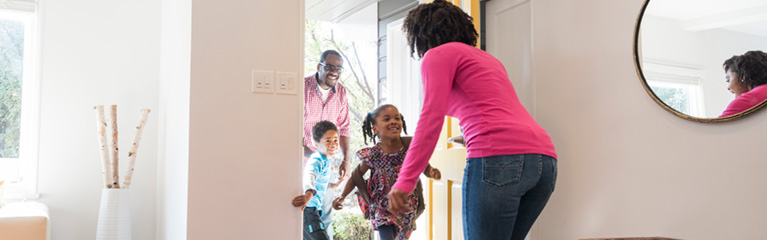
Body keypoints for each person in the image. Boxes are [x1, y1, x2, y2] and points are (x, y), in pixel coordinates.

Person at [387, 1, 558, 240]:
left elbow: (430, 120)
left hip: (500, 160)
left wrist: (405, 180)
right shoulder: (487, 60)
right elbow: (495, 112)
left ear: (420, 33)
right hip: (544, 162)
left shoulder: (437, 55)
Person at [331, 104, 441, 240]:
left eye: (397, 118)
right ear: (375, 128)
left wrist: (431, 172)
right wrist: (342, 196)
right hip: (382, 207)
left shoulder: (409, 147)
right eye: (387, 119)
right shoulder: (373, 154)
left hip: (407, 206)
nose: (393, 121)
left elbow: (422, 165)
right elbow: (355, 177)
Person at [304, 49, 352, 238]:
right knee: (305, 217)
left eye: (338, 68)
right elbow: (291, 126)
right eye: (330, 67)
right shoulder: (304, 87)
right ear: (319, 66)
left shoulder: (340, 92)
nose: (334, 72)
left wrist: (346, 160)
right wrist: (312, 155)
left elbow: (345, 128)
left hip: (327, 166)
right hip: (302, 165)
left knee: (326, 218)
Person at [292, 121, 349, 240]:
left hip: (314, 210)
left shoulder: (326, 160)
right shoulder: (316, 160)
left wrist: (337, 185)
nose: (333, 144)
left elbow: (321, 183)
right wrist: (308, 193)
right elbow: (309, 176)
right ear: (315, 143)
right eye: (328, 140)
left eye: (335, 140)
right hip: (308, 210)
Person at [719, 50, 767, 117]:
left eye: (728, 80)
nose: (728, 87)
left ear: (743, 76)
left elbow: (716, 126)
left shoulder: (745, 101)